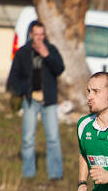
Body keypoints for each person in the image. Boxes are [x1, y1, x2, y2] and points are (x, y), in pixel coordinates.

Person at [7, 20, 65, 180]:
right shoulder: (22, 53)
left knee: (53, 138)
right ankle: (28, 174)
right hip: (31, 100)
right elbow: (13, 76)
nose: (39, 37)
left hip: (49, 101)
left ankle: (55, 174)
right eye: (36, 34)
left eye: (42, 34)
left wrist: (47, 56)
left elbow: (60, 69)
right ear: (31, 34)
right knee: (28, 139)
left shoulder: (51, 50)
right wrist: (22, 91)